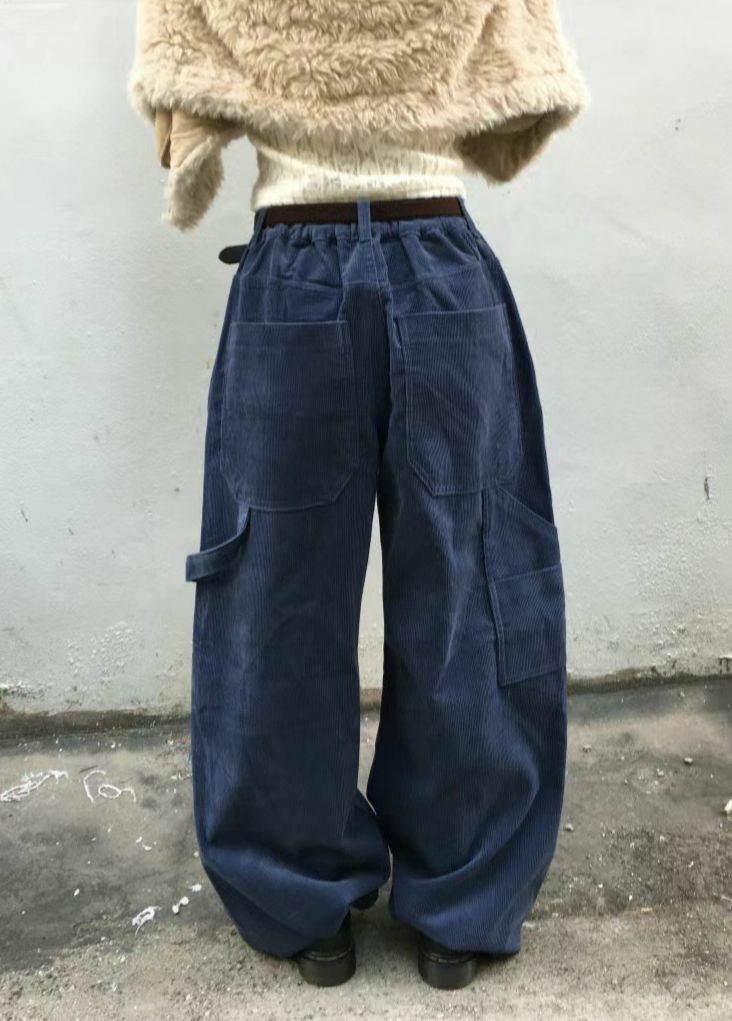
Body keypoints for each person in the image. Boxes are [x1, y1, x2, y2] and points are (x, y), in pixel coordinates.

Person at [129, 0, 588, 991]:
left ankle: (323, 888)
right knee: (433, 582)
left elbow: (177, 103)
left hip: (318, 264)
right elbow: (527, 83)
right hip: (414, 264)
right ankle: (441, 890)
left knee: (310, 589)